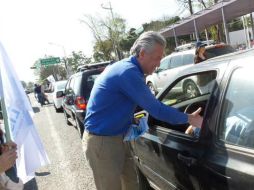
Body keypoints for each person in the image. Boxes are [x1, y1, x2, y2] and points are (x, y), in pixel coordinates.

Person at [84, 31, 203, 190]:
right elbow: (157, 110)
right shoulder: (128, 72)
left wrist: (131, 120)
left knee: (131, 184)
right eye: (157, 58)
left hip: (119, 137)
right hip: (103, 143)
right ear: (142, 53)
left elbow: (123, 102)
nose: (159, 64)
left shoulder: (130, 69)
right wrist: (190, 119)